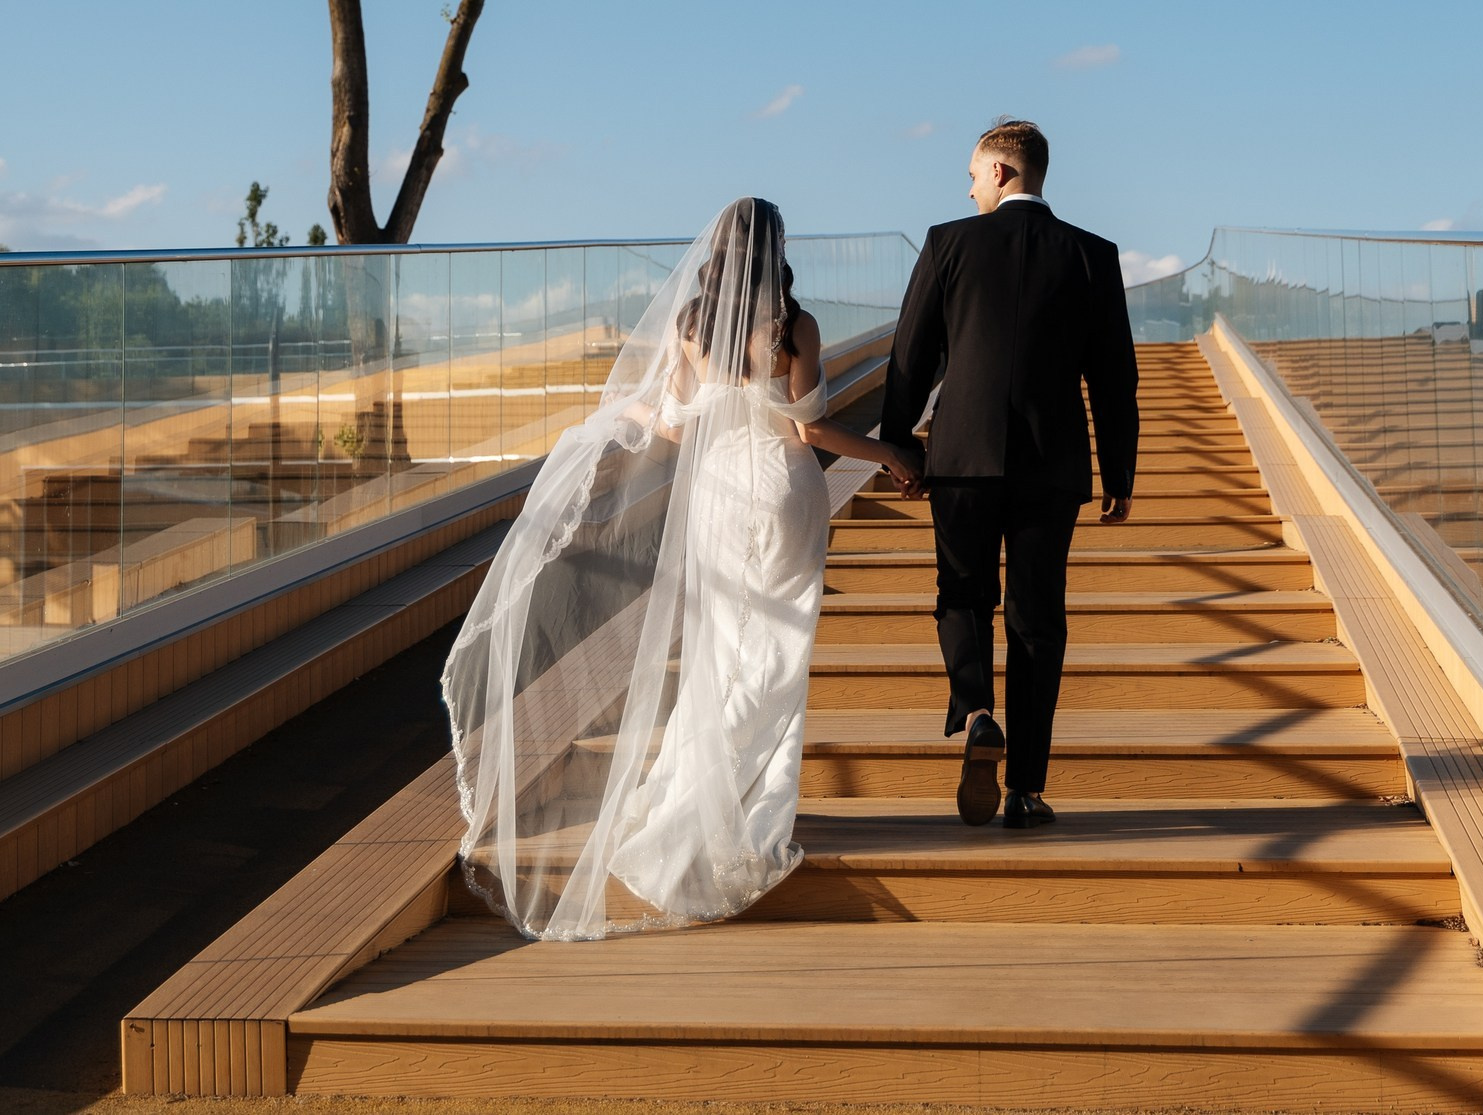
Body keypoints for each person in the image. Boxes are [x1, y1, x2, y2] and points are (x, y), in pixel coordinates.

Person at [443, 198, 917, 939]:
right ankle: (736, 811)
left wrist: (613, 420)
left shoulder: (691, 324)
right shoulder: (794, 326)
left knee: (719, 655)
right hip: (786, 491)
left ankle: (698, 804)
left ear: (719, 251)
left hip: (718, 498)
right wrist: (889, 451)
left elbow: (668, 423)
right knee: (774, 659)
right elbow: (809, 429)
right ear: (776, 248)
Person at [879, 119, 1139, 830]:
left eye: (971, 172)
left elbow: (909, 356)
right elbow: (1116, 374)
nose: (966, 186)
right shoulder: (1092, 254)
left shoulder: (948, 243)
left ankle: (977, 709)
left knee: (961, 593)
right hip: (1052, 463)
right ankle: (1024, 786)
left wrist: (898, 444)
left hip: (961, 457)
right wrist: (1119, 467)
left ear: (1000, 172)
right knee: (1037, 619)